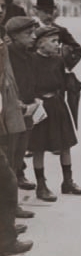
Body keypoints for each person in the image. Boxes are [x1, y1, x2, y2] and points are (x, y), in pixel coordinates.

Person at [30, 26, 81, 201]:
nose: (58, 45)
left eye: (58, 41)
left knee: (65, 143)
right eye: (54, 41)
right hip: (39, 105)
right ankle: (41, 185)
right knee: (38, 146)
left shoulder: (58, 60)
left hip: (57, 104)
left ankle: (67, 181)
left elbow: (62, 81)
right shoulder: (31, 60)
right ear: (40, 43)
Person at [0, 0, 35, 221]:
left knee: (14, 160)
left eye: (2, 6)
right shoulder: (9, 48)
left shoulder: (16, 48)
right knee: (7, 166)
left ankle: (9, 218)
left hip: (16, 110)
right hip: (9, 111)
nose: (0, 10)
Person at [32, 0, 81, 128]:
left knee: (57, 108)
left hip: (56, 76)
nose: (49, 15)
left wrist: (66, 66)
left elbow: (78, 49)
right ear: (37, 12)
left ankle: (57, 141)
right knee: (36, 108)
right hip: (35, 74)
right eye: (45, 12)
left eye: (51, 11)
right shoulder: (31, 29)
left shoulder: (60, 30)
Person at [5, 16, 39, 191]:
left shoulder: (29, 55)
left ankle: (19, 175)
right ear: (15, 36)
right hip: (13, 110)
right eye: (29, 33)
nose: (33, 37)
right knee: (11, 152)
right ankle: (11, 202)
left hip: (28, 109)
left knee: (21, 151)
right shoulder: (6, 54)